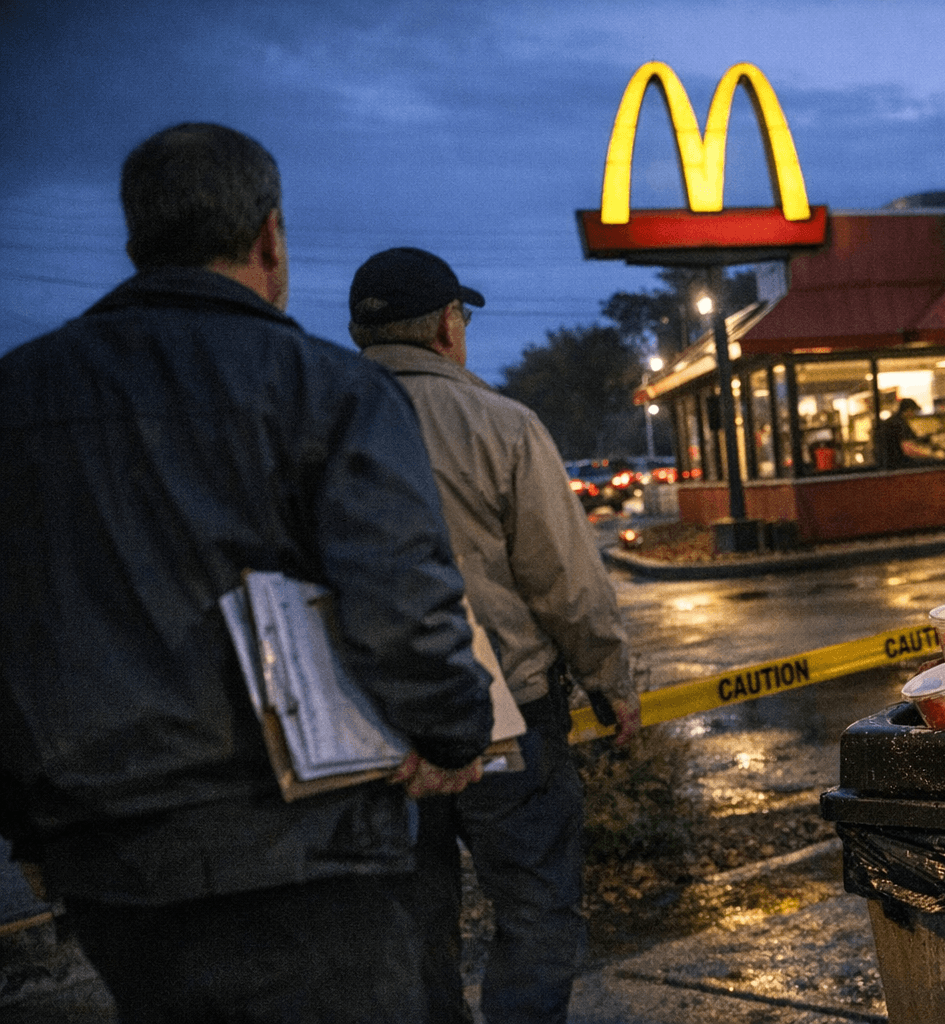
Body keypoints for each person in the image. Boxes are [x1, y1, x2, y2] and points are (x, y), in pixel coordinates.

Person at [0, 124, 494, 1023]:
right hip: (308, 847)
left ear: (137, 236)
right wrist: (456, 735)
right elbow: (404, 607)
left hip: (109, 864)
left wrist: (30, 821)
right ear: (270, 236)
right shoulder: (327, 390)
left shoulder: (22, 396)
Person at [347, 247, 643, 1024]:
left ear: (357, 334)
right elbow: (565, 581)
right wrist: (611, 682)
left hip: (372, 733)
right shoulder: (502, 426)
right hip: (506, 716)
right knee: (536, 908)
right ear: (449, 327)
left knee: (411, 929)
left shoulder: (315, 428)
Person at [874, 397, 934, 468]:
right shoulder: (899, 424)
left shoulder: (893, 421)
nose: (914, 414)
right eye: (914, 411)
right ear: (908, 410)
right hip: (897, 464)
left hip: (886, 463)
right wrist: (931, 455)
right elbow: (908, 449)